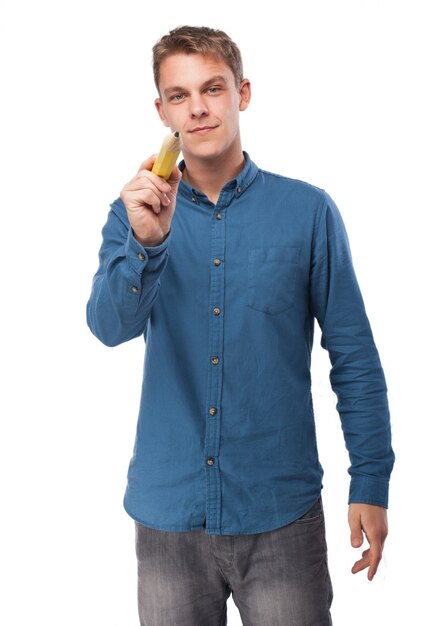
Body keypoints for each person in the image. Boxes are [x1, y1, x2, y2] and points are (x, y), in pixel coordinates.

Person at [86, 25, 395, 626]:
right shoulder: (135, 212)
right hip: (169, 516)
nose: (197, 107)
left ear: (242, 93)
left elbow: (353, 355)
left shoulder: (308, 211)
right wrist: (146, 246)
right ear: (162, 110)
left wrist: (371, 479)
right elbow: (108, 327)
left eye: (212, 88)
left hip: (280, 514)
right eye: (178, 96)